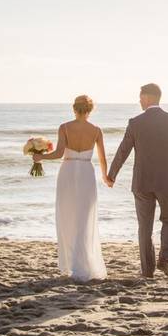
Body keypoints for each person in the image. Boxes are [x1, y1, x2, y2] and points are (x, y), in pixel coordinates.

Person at [106, 83, 168, 278]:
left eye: (140, 97)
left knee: (145, 226)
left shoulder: (135, 122)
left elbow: (123, 150)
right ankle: (165, 260)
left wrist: (112, 174)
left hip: (142, 182)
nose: (139, 101)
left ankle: (147, 271)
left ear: (148, 97)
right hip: (167, 180)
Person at [36, 94, 109, 281]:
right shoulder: (96, 130)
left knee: (67, 215)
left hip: (68, 172)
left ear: (74, 108)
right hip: (86, 173)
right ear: (90, 110)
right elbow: (102, 158)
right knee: (84, 218)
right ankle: (83, 263)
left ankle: (72, 263)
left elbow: (59, 153)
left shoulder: (65, 127)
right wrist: (105, 176)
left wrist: (40, 157)